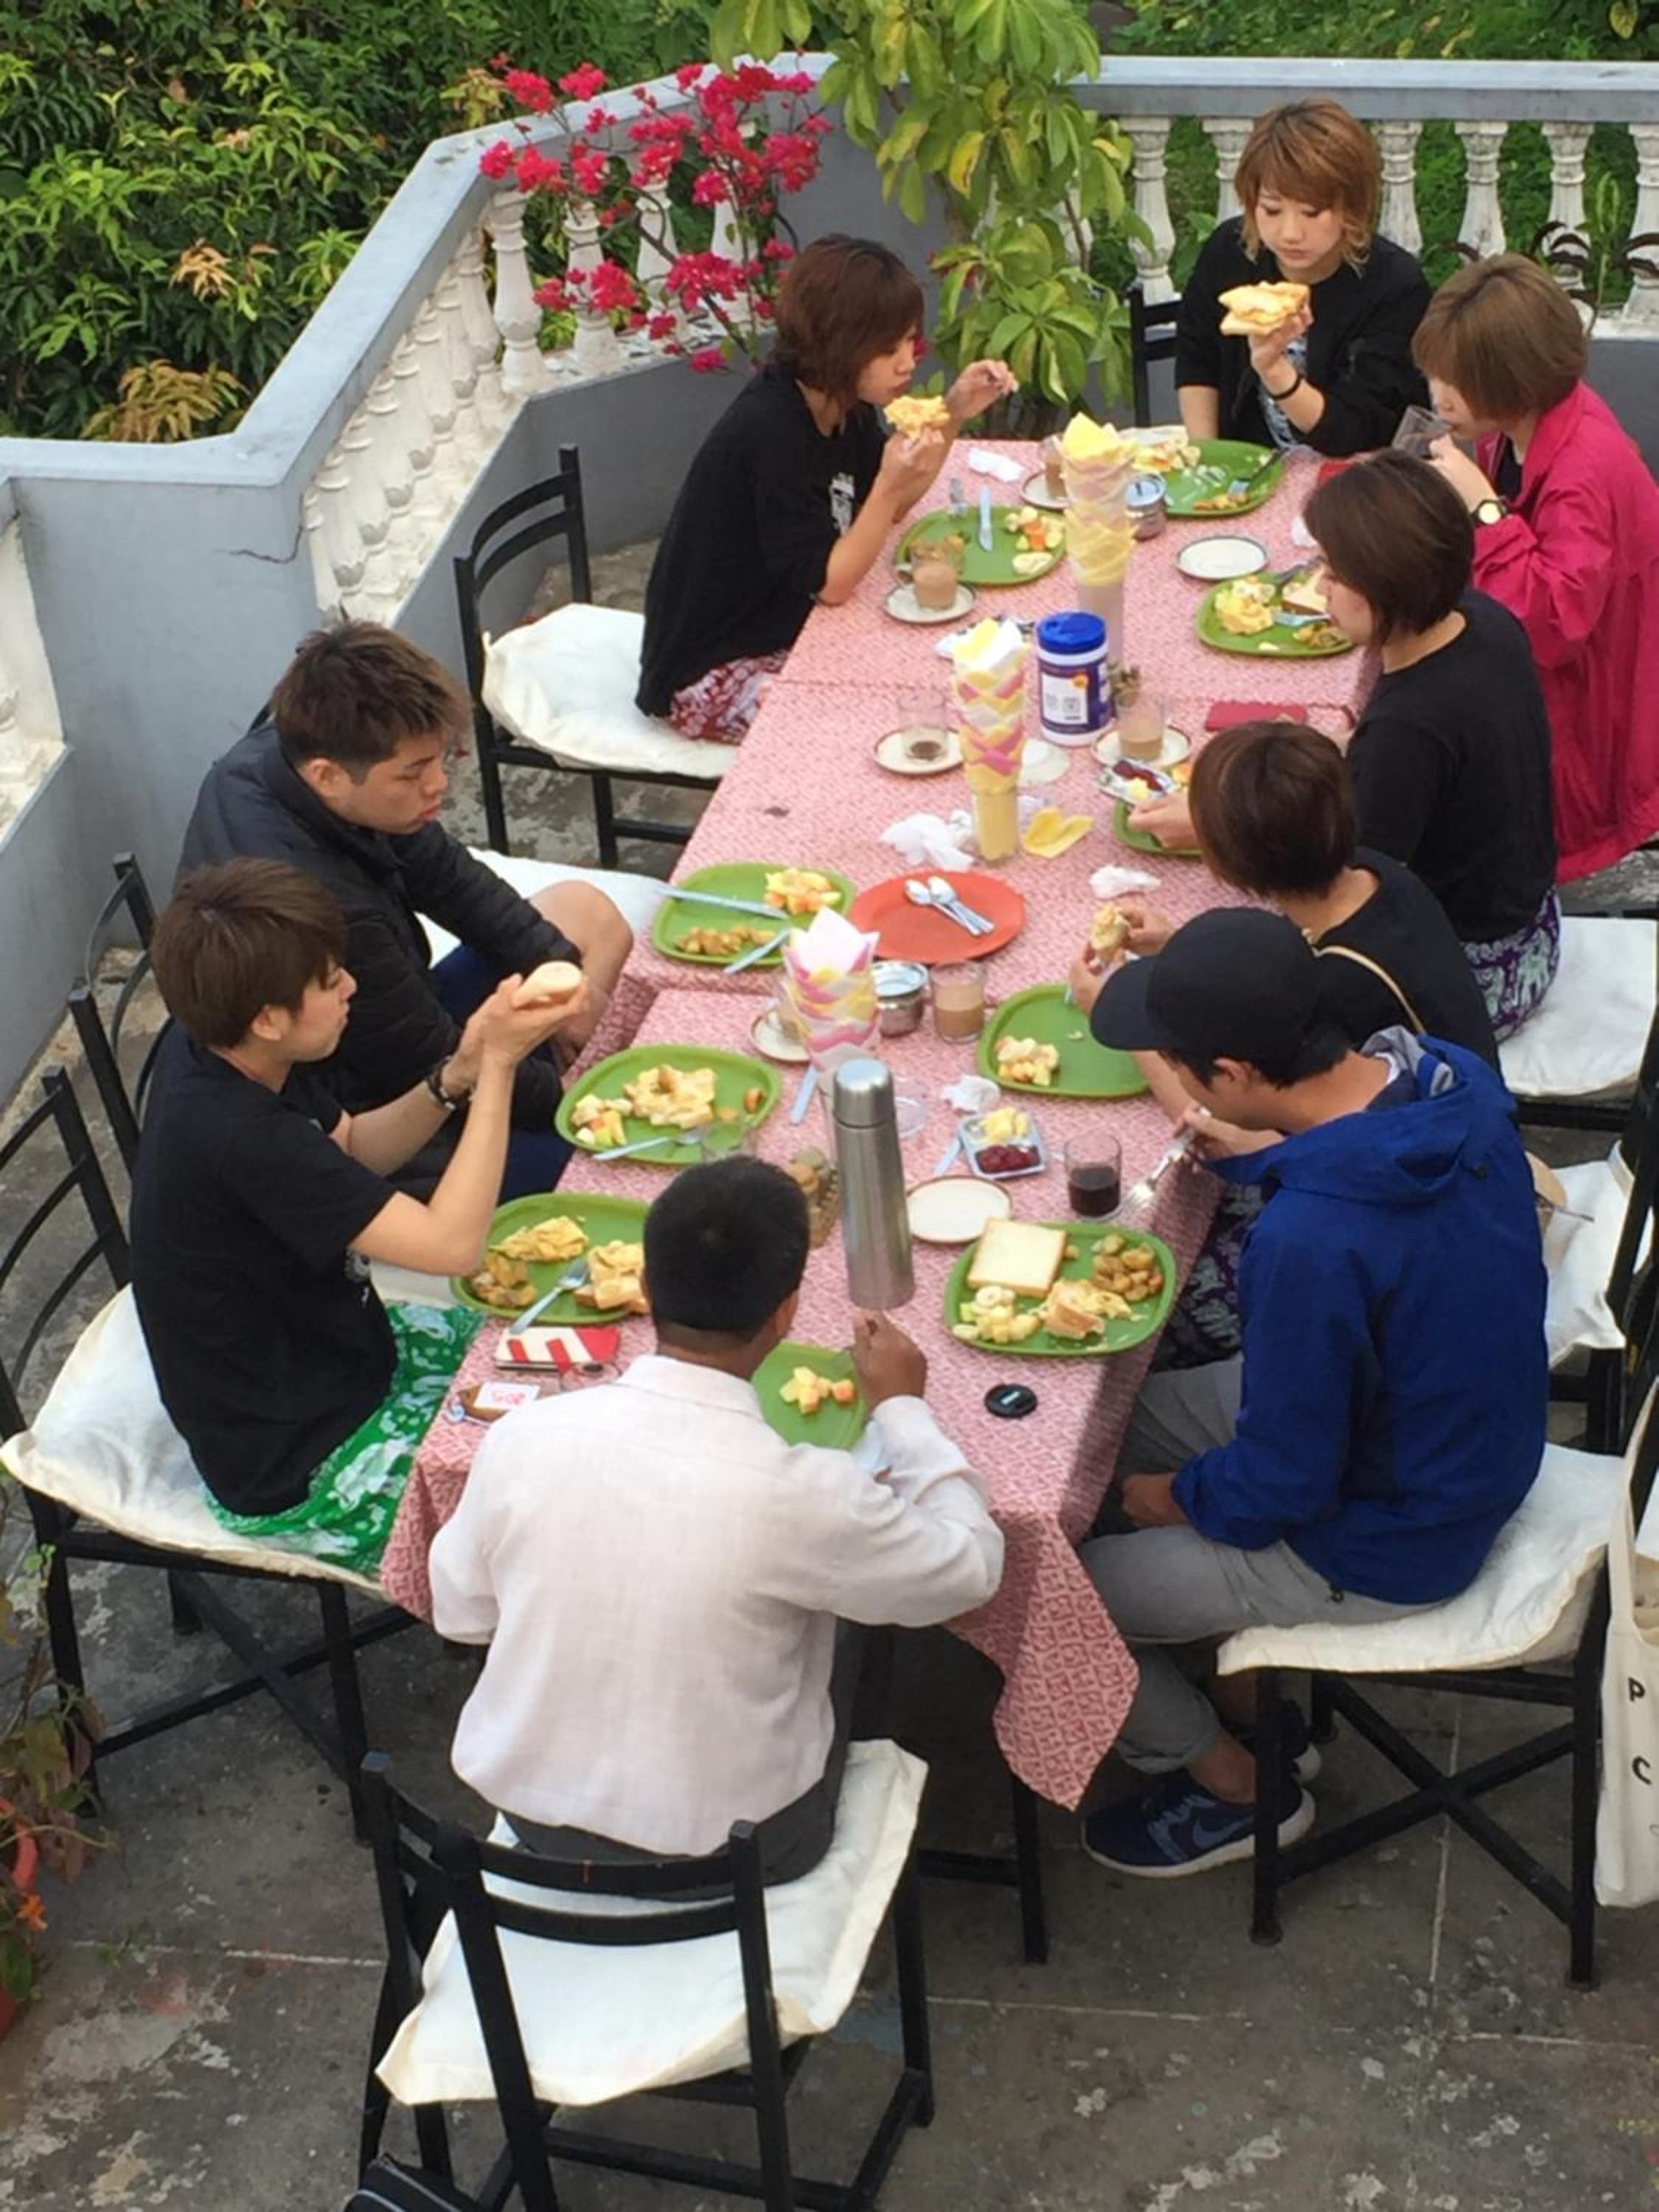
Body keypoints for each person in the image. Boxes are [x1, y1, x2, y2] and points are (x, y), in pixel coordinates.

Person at [1076, 909, 1545, 1878]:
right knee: (1103, 1425)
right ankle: (1250, 1696)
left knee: (1047, 1596)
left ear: (1233, 1074)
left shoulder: (1310, 1243)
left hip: (1390, 1534)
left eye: (1179, 1061)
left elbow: (1281, 1484)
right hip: (1449, 1418)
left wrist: (1170, 1498)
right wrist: (1251, 1151)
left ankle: (1233, 1787)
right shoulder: (1444, 1077)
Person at [428, 1156, 1003, 1878]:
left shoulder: (521, 1436)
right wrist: (903, 1411)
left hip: (533, 1824)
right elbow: (972, 1570)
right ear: (787, 1311)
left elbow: (463, 1614)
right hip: (742, 1852)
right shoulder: (807, 1494)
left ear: (644, 1287)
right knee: (862, 1599)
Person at [131, 860, 574, 1576]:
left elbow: (357, 1148)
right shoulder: (239, 1134)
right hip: (300, 1457)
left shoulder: (235, 1045)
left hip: (352, 1352)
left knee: (576, 1358)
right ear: (268, 1017)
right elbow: (454, 1246)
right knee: (565, 1497)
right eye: (330, 980)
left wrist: (456, 1074)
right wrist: (498, 1070)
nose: (351, 988)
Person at [180, 622, 634, 1200]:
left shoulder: (289, 750)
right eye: (413, 773)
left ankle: (578, 1060)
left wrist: (562, 979)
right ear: (328, 776)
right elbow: (419, 1058)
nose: (439, 785)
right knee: (610, 1168)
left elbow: (449, 877)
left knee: (582, 918)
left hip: (392, 1010)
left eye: (441, 760)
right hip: (368, 1100)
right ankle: (581, 1089)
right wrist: (569, 1104)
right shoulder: (325, 909)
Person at [636, 234, 1015, 741]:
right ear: (838, 343)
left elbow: (892, 506)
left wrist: (954, 413)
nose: (907, 362)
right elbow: (833, 582)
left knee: (931, 671)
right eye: (888, 349)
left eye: (909, 341)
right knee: (870, 729)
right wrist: (887, 486)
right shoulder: (771, 431)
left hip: (788, 627)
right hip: (712, 668)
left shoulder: (842, 405)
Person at [1415, 251, 1659, 881]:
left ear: (1513, 381)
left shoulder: (1584, 473)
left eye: (1457, 382)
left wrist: (1483, 510)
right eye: (1437, 376)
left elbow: (1552, 627)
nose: (1440, 397)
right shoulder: (1523, 423)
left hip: (1594, 733)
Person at [1109, 720, 1498, 1068]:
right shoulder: (1371, 868)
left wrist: (1124, 1028)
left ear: (1227, 861)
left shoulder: (1332, 984)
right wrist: (1175, 948)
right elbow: (1265, 975)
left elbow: (1240, 1097)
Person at [1175, 99, 1429, 458]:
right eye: (1272, 210)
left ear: (1351, 207)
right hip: (1249, 464)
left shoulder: (1395, 286)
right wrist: (1208, 458)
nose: (1290, 233)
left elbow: (1363, 428)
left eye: (1312, 212)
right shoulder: (1230, 253)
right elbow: (1196, 356)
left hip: (1357, 475)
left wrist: (1275, 371)